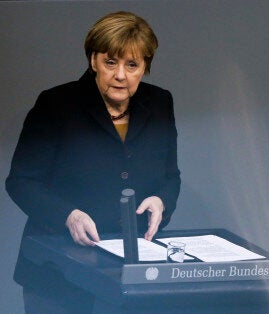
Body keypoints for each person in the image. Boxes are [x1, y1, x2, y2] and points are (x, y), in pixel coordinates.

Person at [5, 11, 181, 313]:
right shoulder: (56, 104)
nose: (121, 75)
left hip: (131, 275)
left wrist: (161, 200)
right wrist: (67, 215)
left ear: (145, 67)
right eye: (110, 62)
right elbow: (20, 182)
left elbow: (170, 177)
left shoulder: (161, 102)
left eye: (132, 64)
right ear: (93, 61)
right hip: (59, 273)